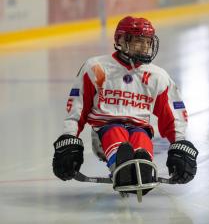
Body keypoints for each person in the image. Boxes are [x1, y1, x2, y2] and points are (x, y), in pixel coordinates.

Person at [52, 16, 198, 195]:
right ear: (121, 40)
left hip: (140, 128)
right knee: (115, 132)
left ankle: (142, 167)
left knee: (140, 137)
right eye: (138, 41)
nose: (145, 46)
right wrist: (69, 138)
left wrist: (180, 143)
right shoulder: (97, 68)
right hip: (104, 131)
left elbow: (173, 116)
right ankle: (123, 168)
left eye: (147, 42)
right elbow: (77, 107)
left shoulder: (157, 76)